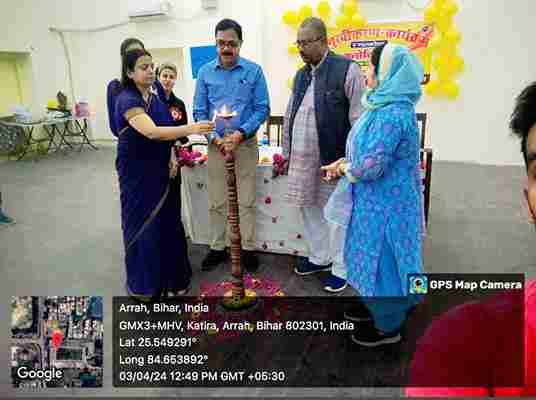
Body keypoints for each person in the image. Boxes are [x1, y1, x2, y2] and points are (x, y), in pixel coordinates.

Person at [404, 82, 536, 396]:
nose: (371, 78)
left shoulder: (396, 116)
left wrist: (351, 168)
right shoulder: (468, 340)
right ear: (528, 203)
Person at [322, 43, 424, 346]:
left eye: (371, 66)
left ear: (387, 72)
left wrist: (343, 168)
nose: (366, 72)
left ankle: (388, 326)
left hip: (387, 208)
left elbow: (372, 165)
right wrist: (344, 162)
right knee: (376, 259)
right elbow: (366, 153)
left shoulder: (392, 114)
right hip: (377, 203)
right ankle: (377, 307)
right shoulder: (385, 106)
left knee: (385, 262)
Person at [114, 48, 214, 299]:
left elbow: (166, 132)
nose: (150, 71)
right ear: (129, 72)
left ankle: (172, 280)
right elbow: (152, 132)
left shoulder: (155, 99)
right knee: (145, 224)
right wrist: (192, 128)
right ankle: (146, 286)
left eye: (151, 66)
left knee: (168, 222)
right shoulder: (127, 99)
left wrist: (172, 156)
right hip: (138, 173)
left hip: (163, 169)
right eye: (143, 67)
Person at [279, 17, 365, 293]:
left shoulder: (347, 69)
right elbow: (290, 113)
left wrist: (352, 160)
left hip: (333, 158)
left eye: (306, 43)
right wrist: (286, 152)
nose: (301, 49)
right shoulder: (301, 74)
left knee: (336, 215)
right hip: (302, 158)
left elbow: (358, 119)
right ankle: (319, 257)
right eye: (298, 43)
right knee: (309, 208)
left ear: (324, 41)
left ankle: (341, 268)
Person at [193, 18, 270, 272]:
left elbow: (262, 108)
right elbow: (199, 111)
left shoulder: (254, 71)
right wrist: (214, 138)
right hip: (216, 146)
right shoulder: (204, 73)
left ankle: (247, 248)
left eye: (231, 44)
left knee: (246, 200)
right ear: (215, 43)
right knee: (217, 200)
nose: (226, 48)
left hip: (244, 144)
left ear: (240, 43)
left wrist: (240, 133)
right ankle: (218, 247)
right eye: (221, 43)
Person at [154, 62, 189, 216]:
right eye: (164, 76)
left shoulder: (179, 104)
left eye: (171, 77)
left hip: (175, 156)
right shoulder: (151, 102)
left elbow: (183, 132)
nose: (167, 80)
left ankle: (175, 224)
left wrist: (176, 151)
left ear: (175, 80)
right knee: (158, 196)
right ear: (158, 78)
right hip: (157, 156)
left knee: (174, 194)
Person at [107, 38, 145, 137]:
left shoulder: (154, 85)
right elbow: (115, 127)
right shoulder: (115, 87)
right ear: (123, 58)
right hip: (132, 143)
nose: (136, 56)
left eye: (140, 52)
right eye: (131, 53)